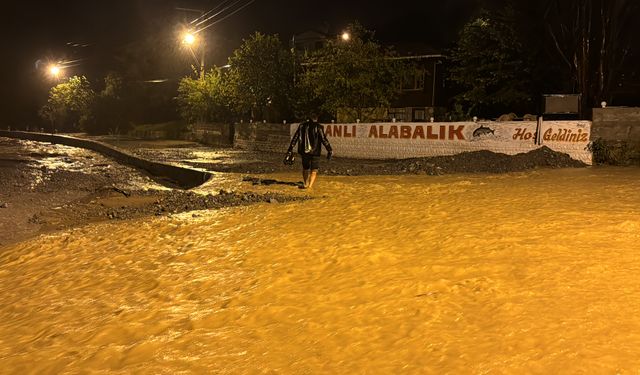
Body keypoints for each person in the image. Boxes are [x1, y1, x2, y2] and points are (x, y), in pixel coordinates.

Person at [285, 115, 333, 189]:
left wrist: (290, 149)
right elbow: (324, 139)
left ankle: (305, 183)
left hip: (304, 152)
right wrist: (329, 150)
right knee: (314, 170)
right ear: (316, 119)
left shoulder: (302, 126)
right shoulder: (319, 127)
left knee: (305, 168)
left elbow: (295, 138)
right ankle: (310, 186)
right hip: (315, 152)